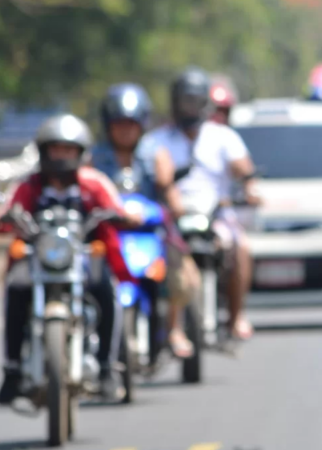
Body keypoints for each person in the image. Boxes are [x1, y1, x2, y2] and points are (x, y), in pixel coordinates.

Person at [0, 114, 142, 404]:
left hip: (82, 257)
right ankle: (13, 370)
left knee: (107, 290)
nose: (62, 156)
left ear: (80, 154)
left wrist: (126, 216)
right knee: (15, 288)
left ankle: (107, 367)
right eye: (56, 149)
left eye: (69, 150)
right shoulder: (28, 185)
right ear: (44, 152)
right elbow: (6, 211)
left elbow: (117, 208)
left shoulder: (93, 183)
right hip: (39, 259)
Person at [144, 67, 260, 341]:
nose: (189, 108)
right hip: (171, 217)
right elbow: (151, 178)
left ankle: (236, 316)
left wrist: (248, 185)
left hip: (215, 212)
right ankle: (167, 328)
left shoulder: (222, 137)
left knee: (240, 247)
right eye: (185, 101)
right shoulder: (157, 140)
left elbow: (243, 168)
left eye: (194, 101)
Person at [91, 83, 201, 359]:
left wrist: (175, 203)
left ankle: (174, 327)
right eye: (119, 124)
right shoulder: (94, 156)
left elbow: (167, 187)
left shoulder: (155, 152)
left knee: (181, 278)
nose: (125, 130)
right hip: (110, 233)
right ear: (108, 125)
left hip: (150, 233)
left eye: (131, 124)